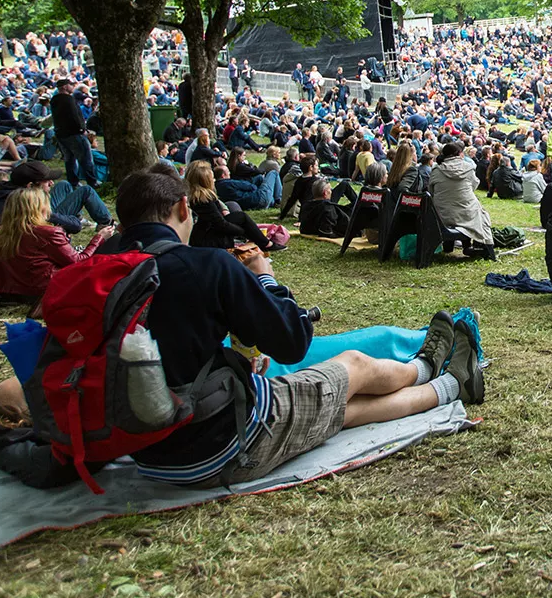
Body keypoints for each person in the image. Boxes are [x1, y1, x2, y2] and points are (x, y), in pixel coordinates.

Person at [97, 165, 481, 487]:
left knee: (338, 407)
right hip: (222, 443)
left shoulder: (94, 273)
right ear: (184, 207)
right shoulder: (204, 265)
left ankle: (440, 380)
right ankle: (434, 372)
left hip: (146, 453)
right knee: (354, 366)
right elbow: (293, 341)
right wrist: (265, 278)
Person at [0, 186, 113, 315]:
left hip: (17, 294)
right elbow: (78, 261)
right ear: (41, 208)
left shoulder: (0, 234)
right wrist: (99, 238)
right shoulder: (48, 233)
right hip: (47, 289)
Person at [186, 160, 274, 254]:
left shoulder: (197, 196)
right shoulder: (204, 200)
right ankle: (265, 242)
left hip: (205, 234)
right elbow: (220, 224)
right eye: (212, 178)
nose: (215, 180)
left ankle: (264, 242)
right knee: (273, 174)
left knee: (238, 213)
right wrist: (244, 232)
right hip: (208, 241)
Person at [430, 142, 494, 256]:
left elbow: (431, 190)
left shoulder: (436, 169)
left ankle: (449, 245)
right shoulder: (468, 168)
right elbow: (474, 185)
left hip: (442, 214)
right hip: (465, 213)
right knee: (475, 211)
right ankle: (470, 245)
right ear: (459, 154)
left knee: (462, 207)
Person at [49, 79, 96, 187]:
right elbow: (75, 116)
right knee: (86, 158)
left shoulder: (54, 100)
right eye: (71, 85)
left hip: (61, 133)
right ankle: (92, 181)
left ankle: (73, 181)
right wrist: (82, 129)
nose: (73, 87)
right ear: (65, 87)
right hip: (74, 133)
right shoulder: (68, 100)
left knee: (69, 159)